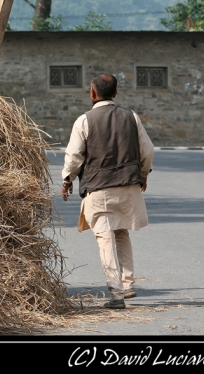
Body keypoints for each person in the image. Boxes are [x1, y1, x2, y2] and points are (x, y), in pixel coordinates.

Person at [61, 72, 154, 309]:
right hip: (129, 185)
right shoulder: (131, 117)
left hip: (99, 187)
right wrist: (143, 173)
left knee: (105, 238)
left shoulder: (84, 120)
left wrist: (67, 180)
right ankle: (129, 284)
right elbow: (147, 149)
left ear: (92, 92)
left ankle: (117, 295)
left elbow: (74, 157)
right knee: (122, 232)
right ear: (115, 93)